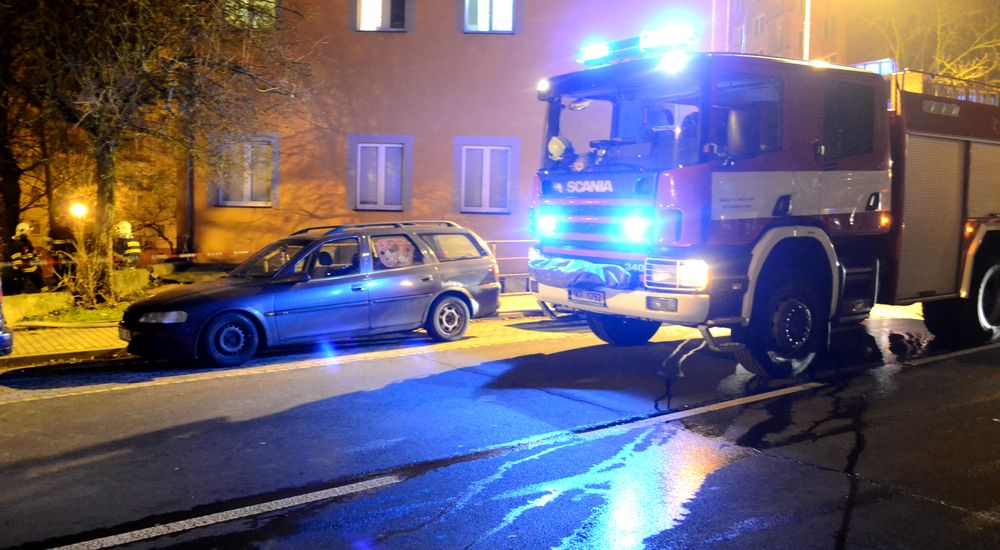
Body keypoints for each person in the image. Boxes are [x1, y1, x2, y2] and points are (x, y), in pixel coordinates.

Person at [10, 222, 44, 292]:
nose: (29, 233)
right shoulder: (16, 244)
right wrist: (20, 270)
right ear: (22, 232)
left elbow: (33, 253)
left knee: (39, 278)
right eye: (27, 231)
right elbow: (17, 260)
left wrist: (37, 262)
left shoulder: (28, 242)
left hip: (32, 267)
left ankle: (43, 289)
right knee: (22, 287)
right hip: (23, 271)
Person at [47, 219, 76, 285]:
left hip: (67, 253)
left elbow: (73, 241)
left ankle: (73, 281)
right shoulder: (54, 230)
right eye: (65, 222)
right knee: (58, 268)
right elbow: (48, 241)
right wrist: (52, 251)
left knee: (70, 267)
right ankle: (60, 281)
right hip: (57, 253)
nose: (66, 223)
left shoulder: (68, 230)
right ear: (60, 222)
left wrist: (73, 251)